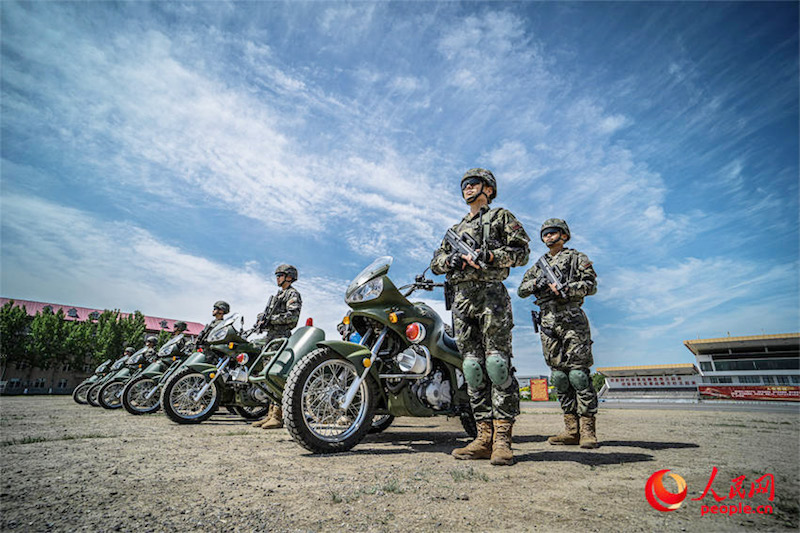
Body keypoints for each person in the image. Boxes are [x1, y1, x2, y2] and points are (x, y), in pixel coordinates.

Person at [430, 168, 530, 466]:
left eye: (472, 184)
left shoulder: (500, 217)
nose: (467, 189)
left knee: (497, 364)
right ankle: (483, 436)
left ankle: (502, 440)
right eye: (463, 185)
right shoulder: (456, 229)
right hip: (462, 300)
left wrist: (489, 257)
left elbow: (521, 252)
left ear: (488, 188)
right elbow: (436, 262)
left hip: (491, 295)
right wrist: (451, 260)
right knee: (472, 368)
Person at [517, 218, 599, 449]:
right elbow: (522, 290)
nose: (548, 237)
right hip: (548, 322)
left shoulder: (576, 257)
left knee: (578, 375)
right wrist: (538, 283)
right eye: (544, 234)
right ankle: (571, 429)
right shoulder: (539, 264)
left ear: (564, 235)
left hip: (571, 317)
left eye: (552, 233)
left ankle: (587, 431)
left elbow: (591, 285)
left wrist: (567, 288)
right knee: (559, 377)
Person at [252, 264, 303, 430]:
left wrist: (272, 319)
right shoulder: (278, 295)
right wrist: (262, 320)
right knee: (267, 376)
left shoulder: (292, 294)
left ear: (289, 276)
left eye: (280, 275)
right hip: (271, 338)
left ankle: (278, 416)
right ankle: (270, 414)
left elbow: (292, 317)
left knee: (276, 376)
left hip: (281, 339)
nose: (277, 278)